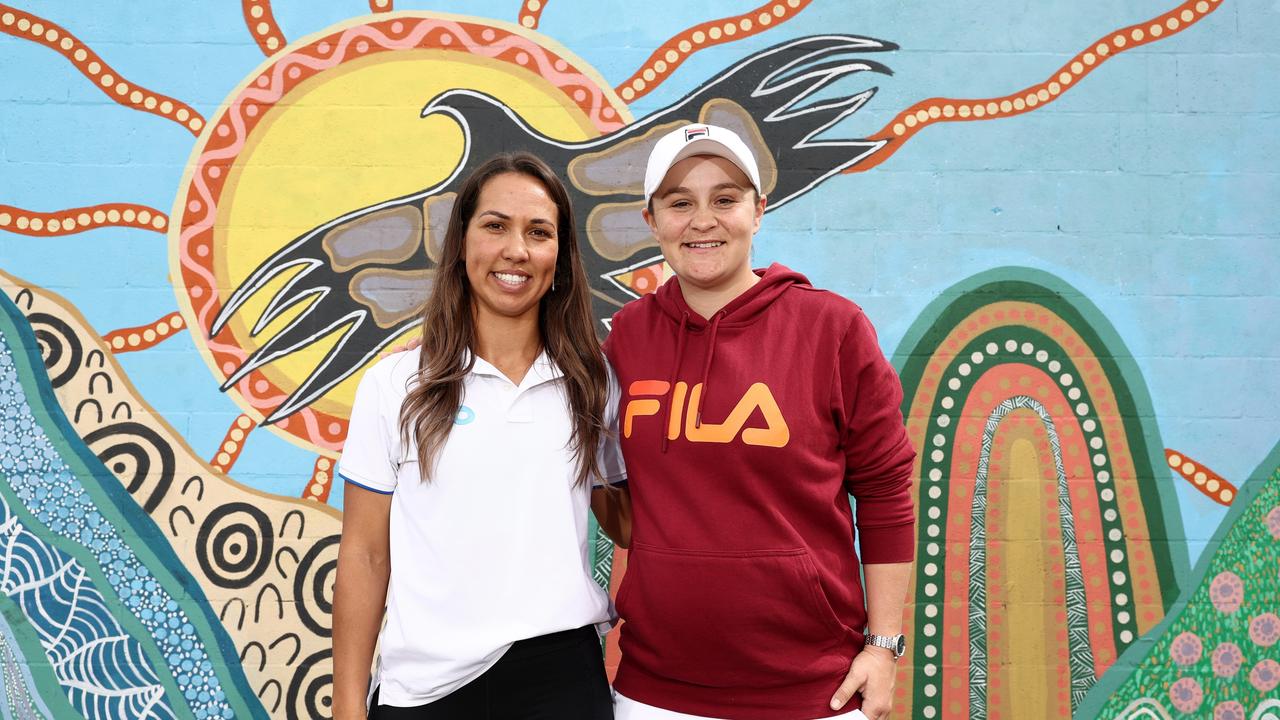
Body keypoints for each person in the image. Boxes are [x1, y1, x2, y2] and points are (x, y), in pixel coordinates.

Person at [602, 124, 916, 720]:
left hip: (813, 693)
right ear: (651, 221)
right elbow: (620, 497)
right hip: (655, 692)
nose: (702, 221)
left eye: (725, 199)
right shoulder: (627, 339)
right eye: (679, 203)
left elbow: (884, 492)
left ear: (758, 210)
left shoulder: (833, 330)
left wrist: (884, 647)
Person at [331, 152, 628, 720]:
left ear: (560, 258)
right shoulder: (396, 385)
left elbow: (627, 528)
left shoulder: (595, 384)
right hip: (423, 693)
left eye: (539, 233)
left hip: (562, 681)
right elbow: (366, 555)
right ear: (462, 242)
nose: (516, 250)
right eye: (495, 226)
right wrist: (348, 704)